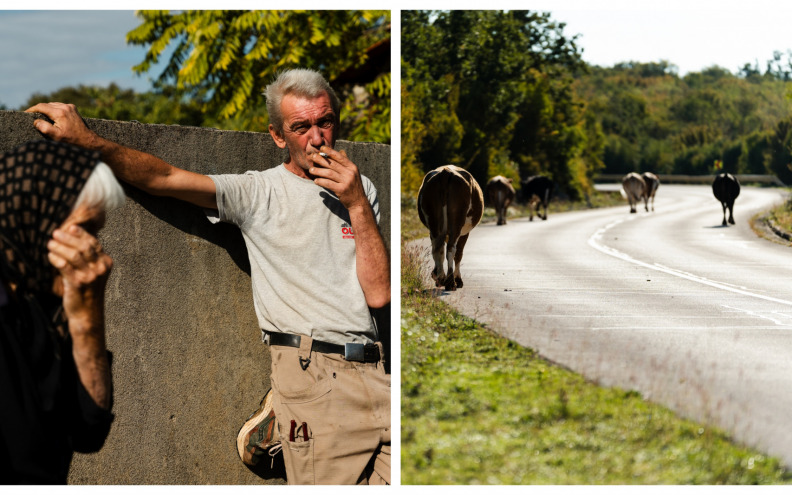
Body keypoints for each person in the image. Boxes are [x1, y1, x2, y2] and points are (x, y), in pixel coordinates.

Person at [26, 67, 391, 485]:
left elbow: (378, 294)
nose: (317, 137)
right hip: (316, 373)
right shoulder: (259, 193)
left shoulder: (361, 190)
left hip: (378, 372)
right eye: (301, 126)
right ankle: (286, 411)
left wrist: (357, 202)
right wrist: (88, 143)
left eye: (324, 122)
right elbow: (165, 179)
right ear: (278, 137)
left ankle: (279, 420)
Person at [0, 139, 126, 483]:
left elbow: (88, 430)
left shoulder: (43, 307)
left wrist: (87, 319)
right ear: (35, 216)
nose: (93, 248)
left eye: (95, 233)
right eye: (84, 229)